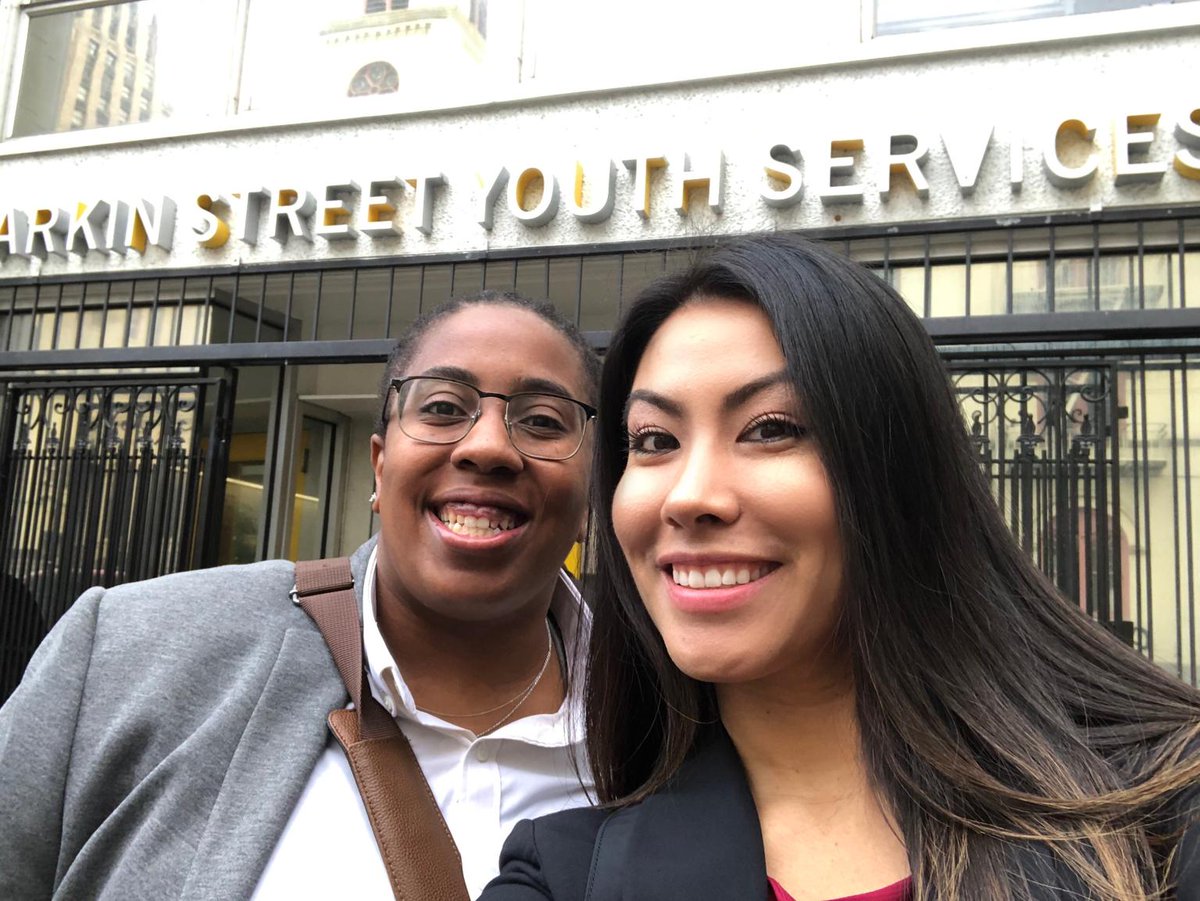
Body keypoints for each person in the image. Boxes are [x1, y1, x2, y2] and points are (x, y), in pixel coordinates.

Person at [479, 235, 1200, 901]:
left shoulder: (1167, 813)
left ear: (899, 470)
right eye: (654, 439)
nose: (691, 494)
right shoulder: (565, 873)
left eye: (772, 428)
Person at [0, 290, 600, 900]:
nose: (488, 447)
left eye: (543, 422)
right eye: (444, 407)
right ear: (379, 464)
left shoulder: (674, 718)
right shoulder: (126, 652)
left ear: (590, 499)